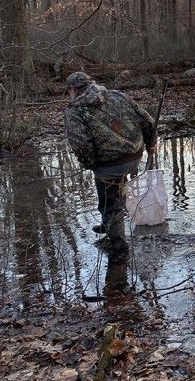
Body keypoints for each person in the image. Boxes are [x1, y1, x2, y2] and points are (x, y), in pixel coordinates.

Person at [64, 71, 156, 253]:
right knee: (115, 191)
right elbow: (149, 121)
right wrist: (150, 144)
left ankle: (117, 243)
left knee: (109, 203)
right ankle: (110, 224)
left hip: (109, 166)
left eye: (68, 92)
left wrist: (93, 165)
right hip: (134, 156)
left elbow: (81, 145)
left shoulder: (74, 111)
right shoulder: (117, 95)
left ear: (73, 89)